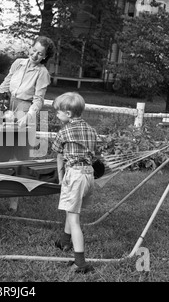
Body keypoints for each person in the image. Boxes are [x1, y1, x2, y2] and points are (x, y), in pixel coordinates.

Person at [0, 35, 56, 212]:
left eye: (39, 53)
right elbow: (5, 85)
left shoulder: (43, 73)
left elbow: (38, 99)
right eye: (33, 51)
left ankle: (14, 200)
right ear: (30, 49)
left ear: (44, 56)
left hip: (25, 112)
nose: (35, 55)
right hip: (7, 108)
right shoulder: (18, 63)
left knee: (20, 160)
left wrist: (29, 116)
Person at [51, 92, 97, 274]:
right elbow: (95, 153)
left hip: (75, 175)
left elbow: (58, 154)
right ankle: (64, 241)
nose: (56, 115)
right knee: (73, 210)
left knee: (74, 218)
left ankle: (80, 263)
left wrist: (61, 178)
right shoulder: (91, 130)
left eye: (58, 112)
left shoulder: (64, 131)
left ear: (68, 114)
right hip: (88, 175)